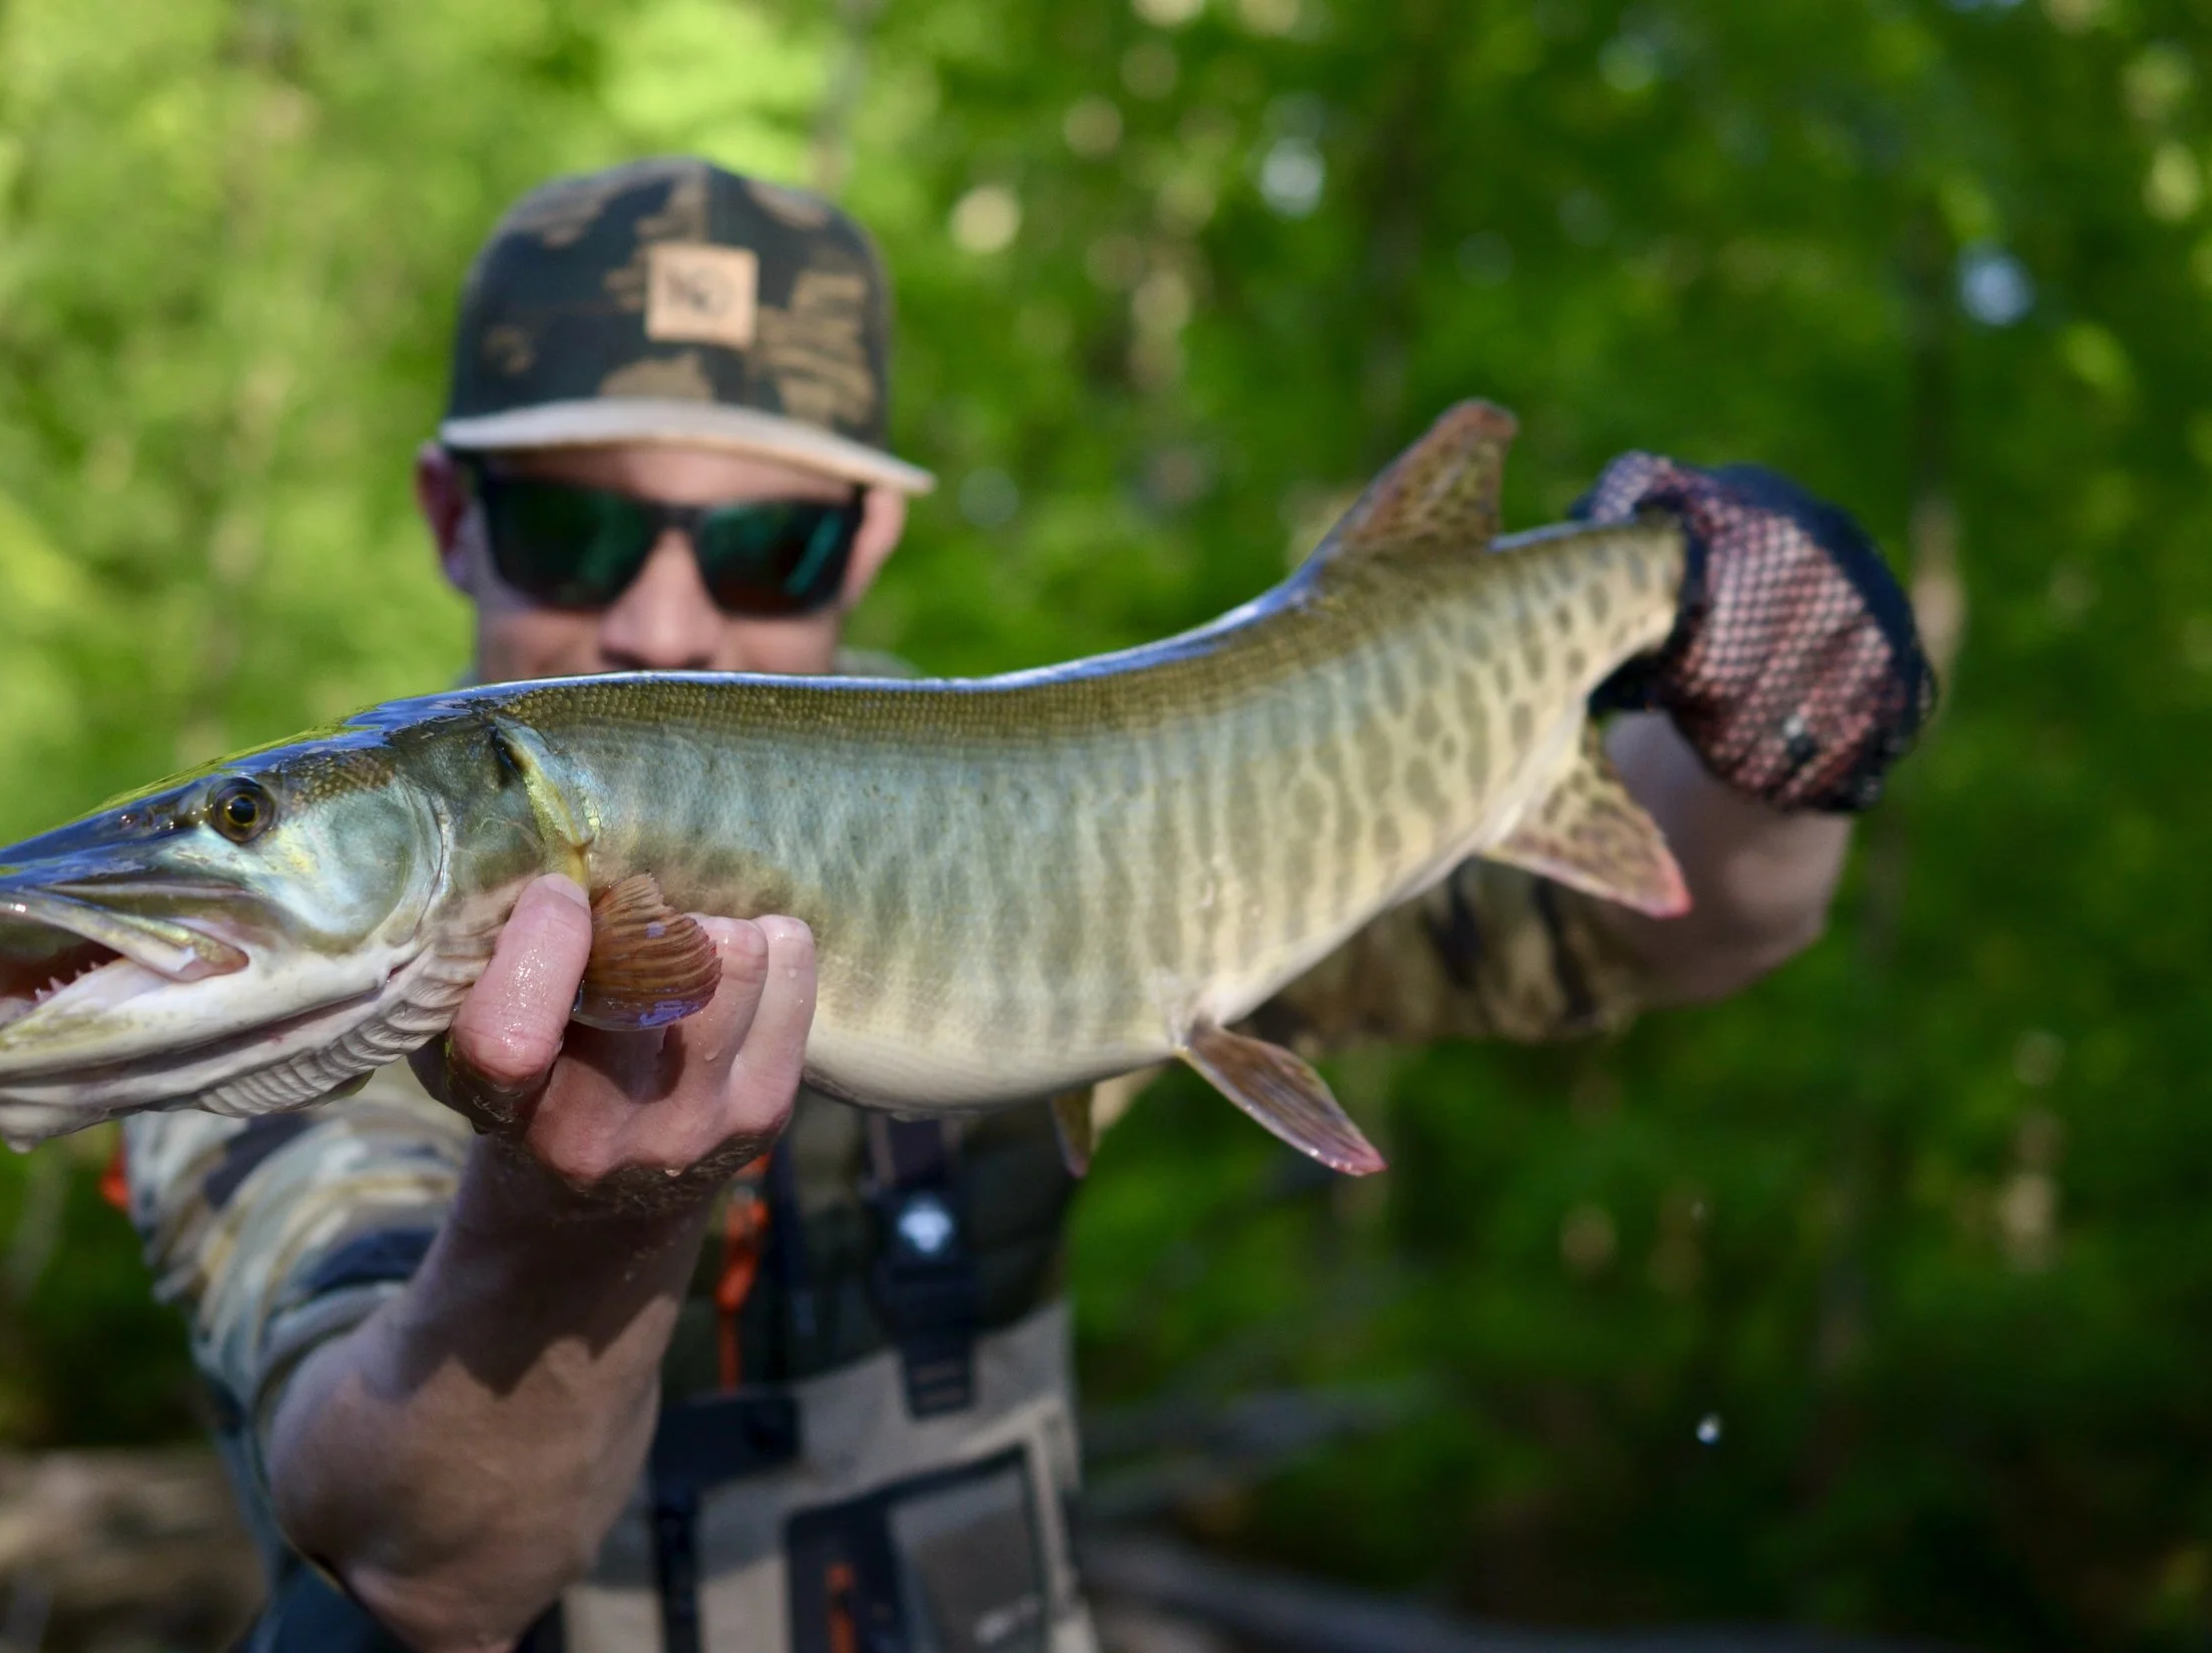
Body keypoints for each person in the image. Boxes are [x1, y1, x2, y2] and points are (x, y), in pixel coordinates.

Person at [122, 157, 1934, 1653]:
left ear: (870, 538)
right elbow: (429, 1563)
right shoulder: (306, 951)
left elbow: (1680, 925)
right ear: (451, 517)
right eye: (580, 534)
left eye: (766, 547)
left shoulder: (1101, 809)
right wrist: (568, 1220)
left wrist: (1791, 721)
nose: (665, 620)